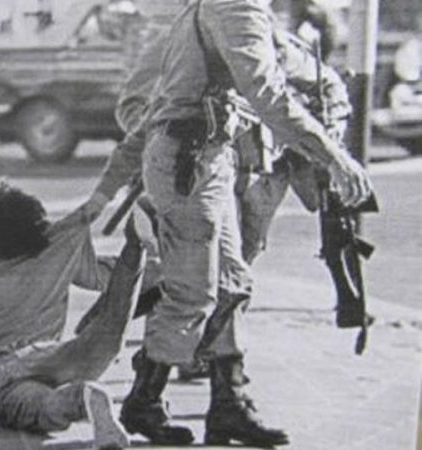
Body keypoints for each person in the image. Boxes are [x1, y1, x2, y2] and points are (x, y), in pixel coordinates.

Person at [91, 0, 372, 446]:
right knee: (193, 293)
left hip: (233, 168)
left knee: (232, 283)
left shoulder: (256, 22)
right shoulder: (230, 10)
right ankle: (145, 401)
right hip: (195, 164)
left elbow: (319, 87)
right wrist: (335, 157)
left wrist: (320, 134)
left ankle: (226, 405)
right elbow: (263, 95)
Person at [0, 131, 169, 449]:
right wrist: (149, 264)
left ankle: (83, 398)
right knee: (109, 331)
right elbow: (104, 267)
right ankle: (135, 244)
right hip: (65, 357)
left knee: (32, 407)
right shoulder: (55, 247)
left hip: (4, 370)